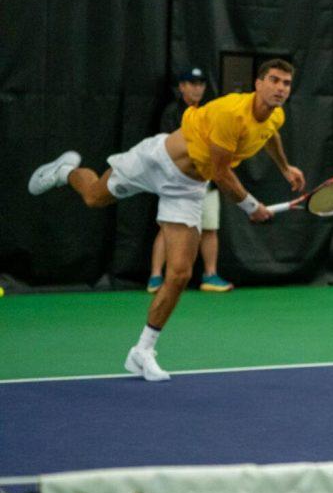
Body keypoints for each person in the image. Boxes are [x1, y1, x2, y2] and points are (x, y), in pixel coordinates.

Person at [27, 59, 304, 382]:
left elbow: (270, 134)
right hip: (156, 161)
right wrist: (250, 206)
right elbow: (220, 171)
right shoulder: (231, 112)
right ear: (258, 83)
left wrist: (285, 168)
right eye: (274, 80)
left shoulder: (276, 115)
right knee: (94, 197)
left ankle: (142, 350)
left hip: (187, 187)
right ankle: (65, 172)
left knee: (181, 273)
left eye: (286, 83)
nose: (280, 88)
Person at [147, 68, 233, 294]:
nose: (197, 88)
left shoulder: (209, 112)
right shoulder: (171, 113)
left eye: (201, 84)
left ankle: (210, 276)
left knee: (210, 228)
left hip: (207, 181)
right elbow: (166, 147)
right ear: (182, 87)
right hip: (177, 182)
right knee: (169, 227)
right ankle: (156, 278)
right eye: (192, 83)